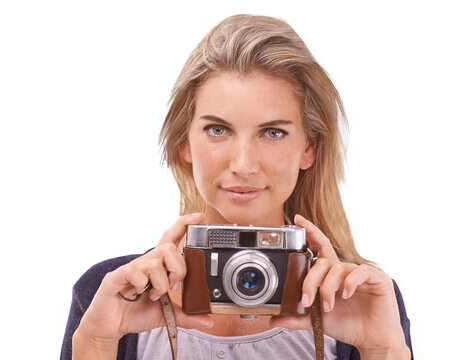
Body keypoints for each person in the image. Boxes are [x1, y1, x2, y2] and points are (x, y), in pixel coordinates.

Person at [61, 14, 413, 360]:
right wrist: (96, 342)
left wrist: (382, 351)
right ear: (184, 142)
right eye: (218, 130)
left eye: (273, 132)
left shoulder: (358, 298)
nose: (243, 165)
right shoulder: (112, 293)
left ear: (310, 148)